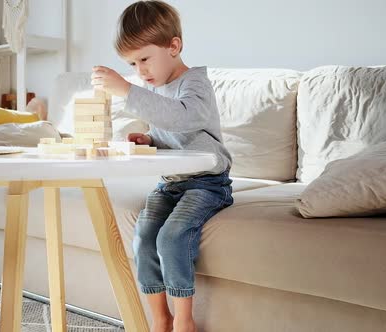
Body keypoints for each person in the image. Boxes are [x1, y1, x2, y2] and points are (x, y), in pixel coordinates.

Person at [90, 2, 233, 331]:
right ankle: (160, 319)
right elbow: (173, 134)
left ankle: (184, 319)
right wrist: (150, 140)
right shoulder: (159, 88)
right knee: (143, 237)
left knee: (171, 237)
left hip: (207, 183)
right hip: (172, 182)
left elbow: (184, 118)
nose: (140, 71)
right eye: (132, 63)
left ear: (174, 46)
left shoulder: (195, 84)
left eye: (144, 58)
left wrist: (127, 91)